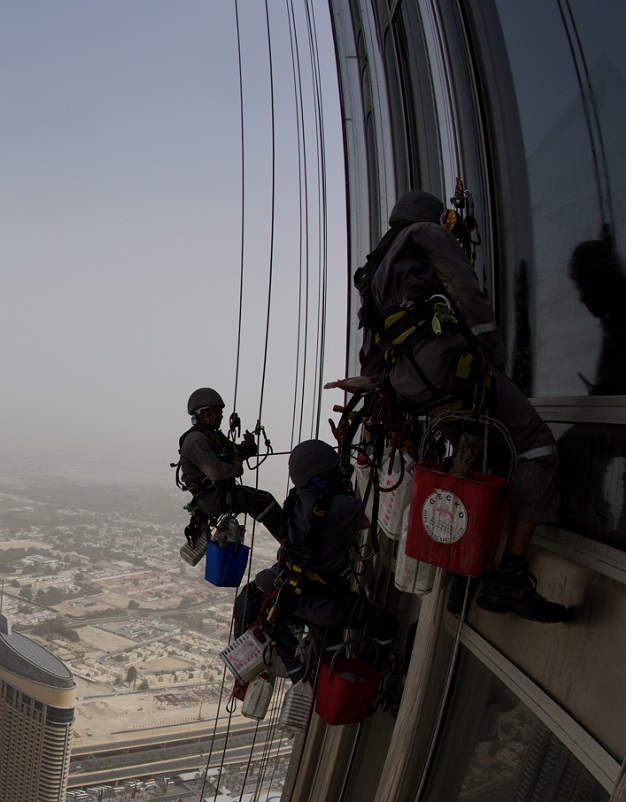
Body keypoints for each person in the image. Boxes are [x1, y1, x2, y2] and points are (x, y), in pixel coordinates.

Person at [355, 190, 570, 622]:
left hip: (415, 388)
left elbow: (372, 353)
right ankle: (510, 574)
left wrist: (381, 387)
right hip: (452, 369)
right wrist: (493, 357)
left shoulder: (376, 270)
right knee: (535, 446)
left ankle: (463, 579)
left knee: (475, 466)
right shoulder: (427, 234)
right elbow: (465, 293)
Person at [234, 439, 395, 681]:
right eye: (333, 471)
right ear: (322, 477)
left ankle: (297, 667)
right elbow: (375, 518)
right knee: (388, 626)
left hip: (291, 599)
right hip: (327, 606)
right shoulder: (342, 508)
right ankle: (374, 671)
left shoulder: (296, 500)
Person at [176, 387, 279, 525]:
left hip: (218, 493)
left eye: (221, 412)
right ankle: (289, 542)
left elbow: (233, 450)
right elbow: (216, 472)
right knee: (265, 502)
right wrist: (237, 465)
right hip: (213, 498)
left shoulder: (212, 436)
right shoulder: (196, 440)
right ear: (203, 413)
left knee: (263, 500)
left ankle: (288, 540)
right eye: (216, 412)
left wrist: (249, 446)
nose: (220, 416)